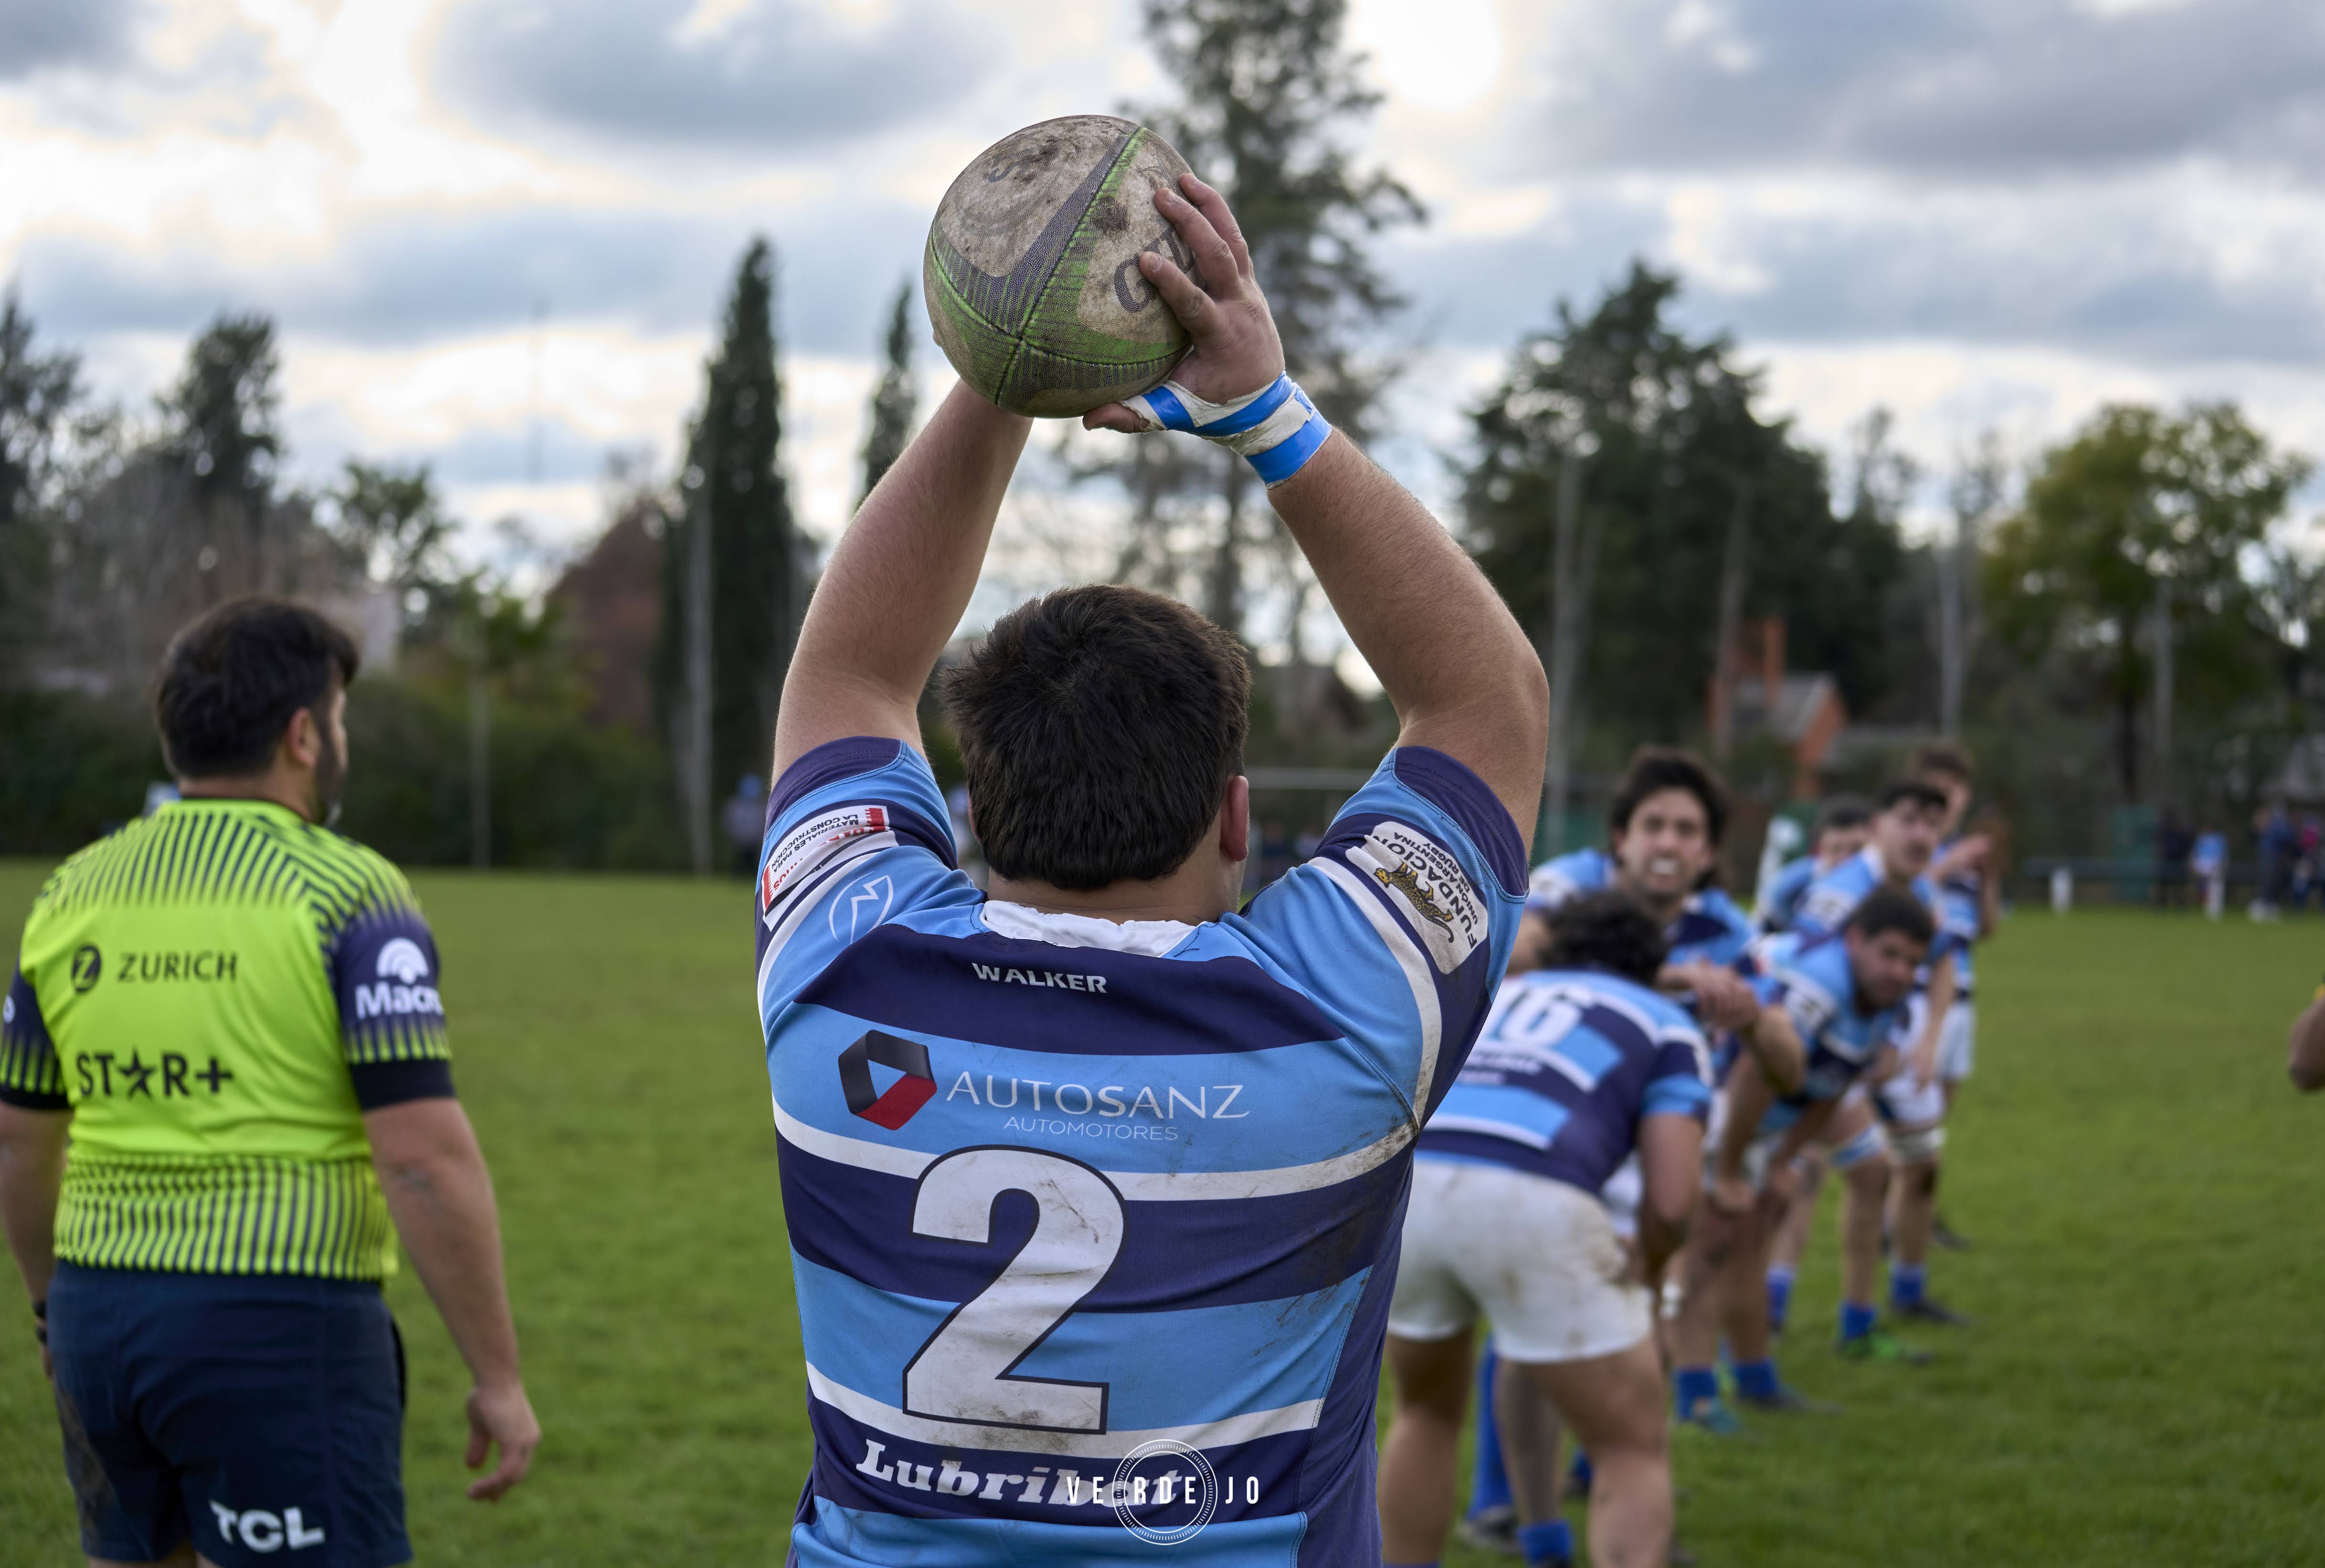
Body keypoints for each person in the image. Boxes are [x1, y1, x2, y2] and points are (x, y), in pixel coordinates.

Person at [750, 172, 1547, 1566]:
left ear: (976, 810)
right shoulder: (1336, 1022)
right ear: (1239, 819)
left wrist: (1009, 358)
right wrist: (1263, 409)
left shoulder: (843, 963)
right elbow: (1487, 705)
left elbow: (853, 671)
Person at [0, 599, 539, 1568]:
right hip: (276, 1327)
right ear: (302, 734)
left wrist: (52, 1310)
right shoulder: (351, 892)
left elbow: (18, 1140)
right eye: (337, 717)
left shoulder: (71, 891)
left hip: (96, 1326)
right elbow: (420, 1159)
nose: (340, 738)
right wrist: (497, 1373)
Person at [1464, 750, 1797, 1521]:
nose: (1669, 844)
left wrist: (1755, 1018)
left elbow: (1787, 1055)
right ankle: (1500, 1499)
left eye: (1688, 831)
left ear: (1711, 853)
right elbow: (1515, 959)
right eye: (1654, 826)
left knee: (1634, 1307)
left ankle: (1590, 1474)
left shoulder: (1726, 926)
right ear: (1619, 838)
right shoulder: (1568, 884)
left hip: (1652, 1142)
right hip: (1548, 1129)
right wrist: (1662, 977)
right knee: (1527, 1315)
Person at [1379, 893, 1716, 1568]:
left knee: (1424, 1415)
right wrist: (1649, 1266)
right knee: (1627, 1448)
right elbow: (1675, 1204)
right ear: (1654, 969)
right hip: (1535, 1197)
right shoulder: (1666, 1023)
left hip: (1413, 1191)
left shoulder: (1507, 992)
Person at [1670, 886, 1934, 1409]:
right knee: (1709, 1241)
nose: (1899, 971)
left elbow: (1833, 1084)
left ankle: (1752, 1379)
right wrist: (1728, 1169)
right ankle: (1695, 1398)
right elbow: (1755, 1073)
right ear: (1855, 939)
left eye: (1911, 961)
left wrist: (1782, 1158)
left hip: (1764, 1112)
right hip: (1711, 1093)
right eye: (1888, 954)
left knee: (1755, 1231)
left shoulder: (1885, 993)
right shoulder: (1819, 984)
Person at [1792, 778, 1968, 1334]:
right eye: (1909, 819)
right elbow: (1805, 981)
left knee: (1921, 1168)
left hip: (1882, 1042)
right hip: (1828, 1051)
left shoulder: (1923, 891)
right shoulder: (1839, 895)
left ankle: (1905, 1294)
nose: (1922, 835)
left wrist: (1928, 1037)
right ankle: (1773, 1317)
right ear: (1877, 826)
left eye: (1933, 825)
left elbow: (1943, 960)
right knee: (1808, 1177)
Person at [1756, 796, 1874, 937]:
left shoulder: (1883, 882)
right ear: (1820, 848)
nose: (1846, 860)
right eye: (1836, 850)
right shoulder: (1793, 883)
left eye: (1856, 851)